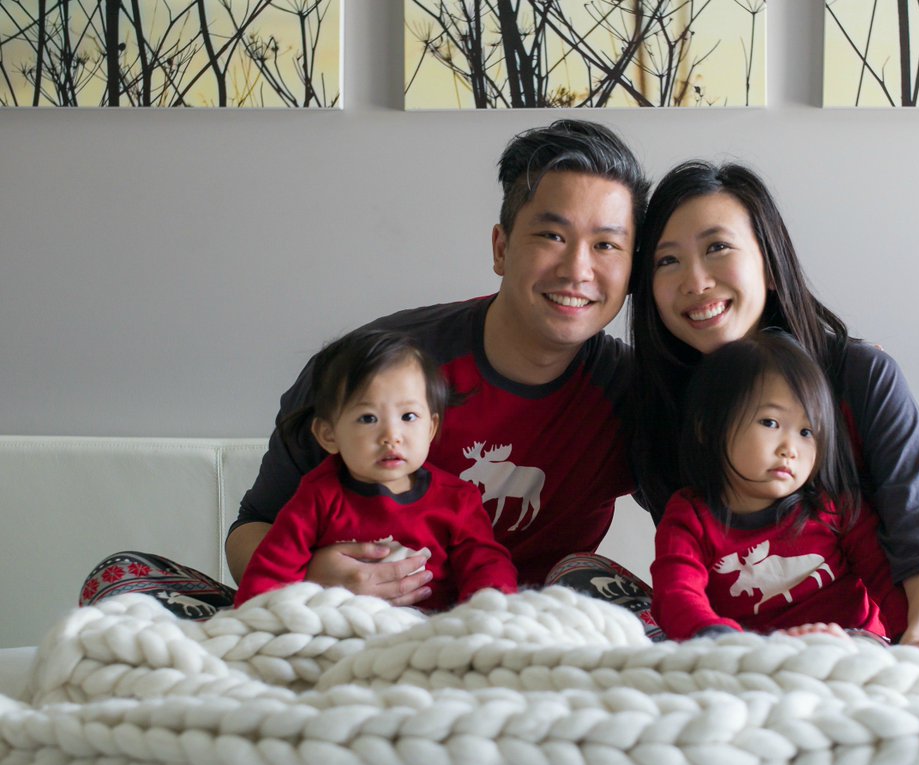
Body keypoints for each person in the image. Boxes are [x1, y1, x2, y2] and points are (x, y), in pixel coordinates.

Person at [80, 118, 650, 617]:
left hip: (511, 637)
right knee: (123, 582)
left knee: (590, 579)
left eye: (606, 246)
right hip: (343, 623)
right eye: (552, 235)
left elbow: (721, 520)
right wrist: (314, 576)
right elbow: (250, 533)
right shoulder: (373, 365)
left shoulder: (633, 393)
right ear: (501, 248)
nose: (578, 268)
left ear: (632, 269)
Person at [626, 161, 919, 706]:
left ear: (770, 266)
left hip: (862, 650)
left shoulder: (861, 378)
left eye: (718, 248)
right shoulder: (659, 408)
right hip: (739, 663)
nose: (695, 281)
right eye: (667, 261)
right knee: (583, 583)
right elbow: (686, 582)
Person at [651, 331, 908, 643]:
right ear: (710, 428)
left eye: (806, 431)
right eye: (770, 423)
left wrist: (918, 646)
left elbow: (889, 583)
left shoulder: (836, 508)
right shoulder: (691, 516)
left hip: (851, 646)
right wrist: (721, 641)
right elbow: (676, 592)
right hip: (751, 655)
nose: (791, 448)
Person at [234, 329, 517, 609]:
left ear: (431, 428)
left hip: (430, 633)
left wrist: (491, 612)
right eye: (368, 418)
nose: (391, 435)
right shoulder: (318, 496)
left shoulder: (458, 499)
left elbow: (486, 564)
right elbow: (272, 568)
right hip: (342, 630)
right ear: (329, 435)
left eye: (408, 416)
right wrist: (254, 622)